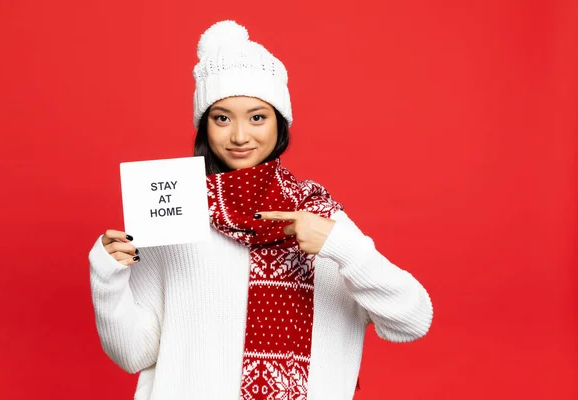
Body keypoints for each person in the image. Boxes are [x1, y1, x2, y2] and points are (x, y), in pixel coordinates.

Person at [88, 20, 433, 400]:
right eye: (222, 118)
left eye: (257, 117)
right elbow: (133, 352)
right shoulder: (177, 211)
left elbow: (411, 320)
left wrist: (339, 245)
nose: (239, 136)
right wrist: (108, 277)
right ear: (205, 125)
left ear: (279, 123)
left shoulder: (317, 215)